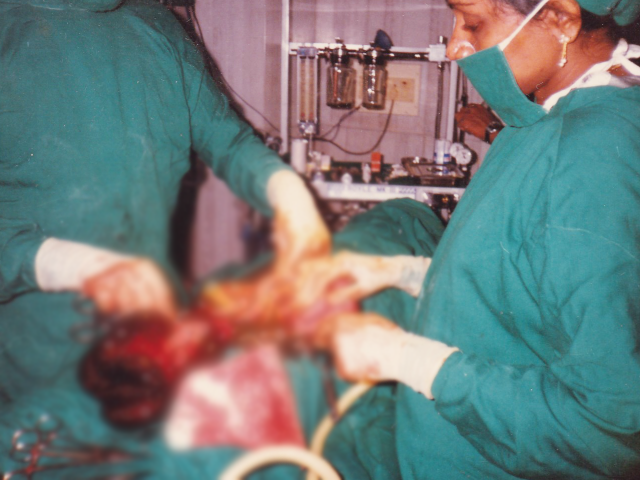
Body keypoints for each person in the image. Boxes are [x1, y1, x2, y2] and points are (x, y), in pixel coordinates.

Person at [298, 0, 640, 477]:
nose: (455, 46)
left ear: (560, 19)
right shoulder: (544, 118)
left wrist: (417, 363)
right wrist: (415, 274)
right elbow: (532, 274)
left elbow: (610, 428)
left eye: (473, 24)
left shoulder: (591, 152)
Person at [0, 0, 329, 477]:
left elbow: (228, 139)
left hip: (152, 350)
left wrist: (284, 191)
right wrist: (59, 262)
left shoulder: (155, 27)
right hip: (40, 367)